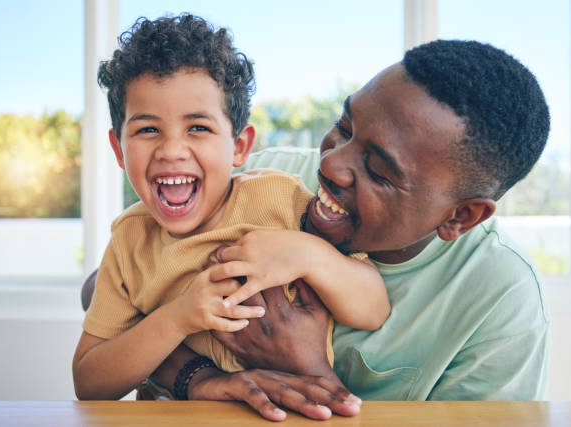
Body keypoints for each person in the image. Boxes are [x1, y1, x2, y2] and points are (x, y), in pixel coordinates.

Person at [146, 39, 551, 421]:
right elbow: (107, 292)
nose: (331, 165)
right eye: (344, 127)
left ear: (460, 216)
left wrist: (309, 372)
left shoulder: (501, 299)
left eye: (378, 171)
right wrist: (201, 378)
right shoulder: (267, 181)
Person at [72, 14, 389, 400]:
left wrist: (312, 256)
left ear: (239, 146)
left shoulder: (277, 198)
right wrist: (177, 319)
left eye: (198, 128)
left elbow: (374, 309)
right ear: (119, 150)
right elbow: (89, 383)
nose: (171, 150)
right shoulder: (128, 242)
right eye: (148, 129)